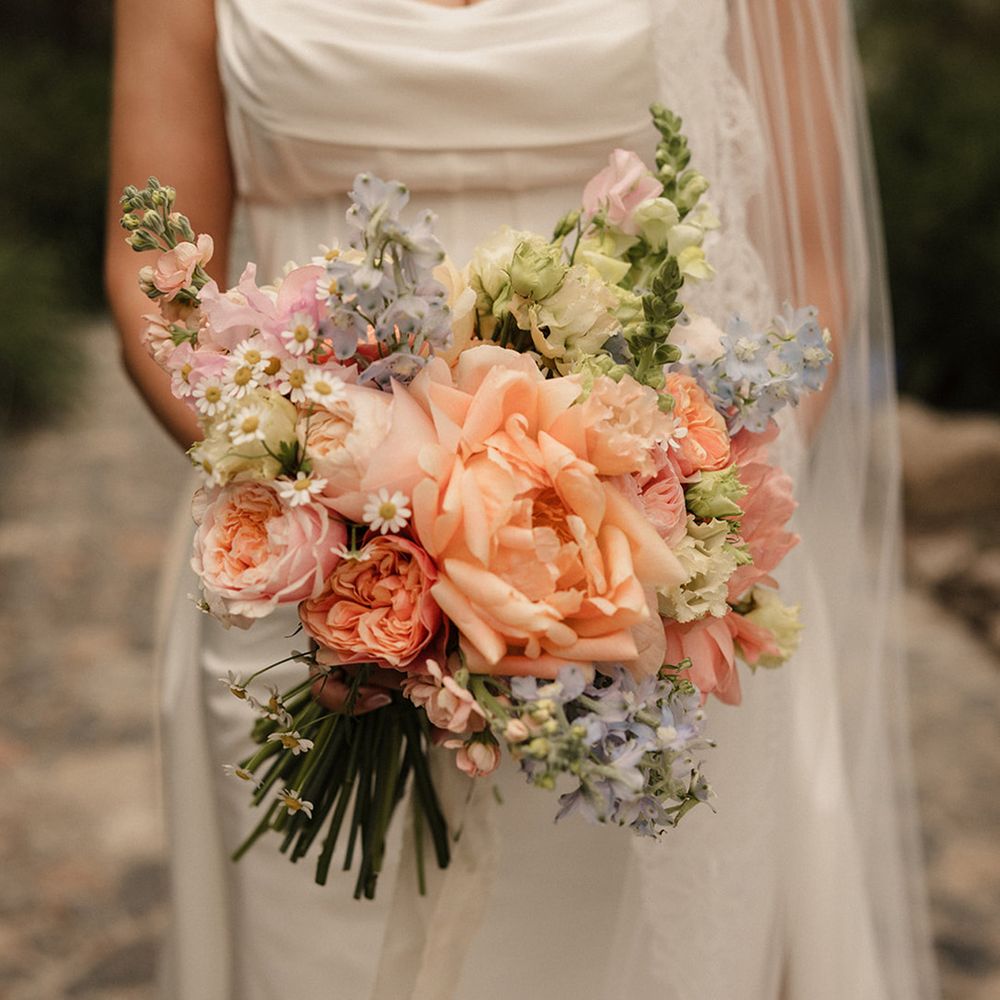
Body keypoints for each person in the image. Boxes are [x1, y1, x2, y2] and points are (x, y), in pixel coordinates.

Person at [104, 1, 937, 997]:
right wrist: (337, 523)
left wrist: (663, 509)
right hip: (312, 605)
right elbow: (152, 272)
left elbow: (810, 277)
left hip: (625, 608)